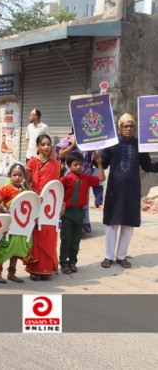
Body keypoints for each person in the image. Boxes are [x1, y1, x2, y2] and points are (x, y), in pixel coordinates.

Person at [101, 114, 158, 268]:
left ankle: (121, 256)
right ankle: (108, 256)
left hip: (132, 191)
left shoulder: (140, 145)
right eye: (125, 126)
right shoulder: (111, 144)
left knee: (128, 224)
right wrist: (96, 159)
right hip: (114, 190)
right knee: (112, 224)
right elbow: (104, 164)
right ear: (119, 129)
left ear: (135, 129)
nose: (128, 129)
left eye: (131, 126)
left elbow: (148, 166)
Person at [59, 151, 104, 274]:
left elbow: (101, 178)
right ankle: (63, 263)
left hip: (79, 213)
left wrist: (99, 163)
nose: (79, 167)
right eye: (75, 164)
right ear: (69, 166)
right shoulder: (65, 179)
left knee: (76, 239)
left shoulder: (86, 178)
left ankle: (72, 262)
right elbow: (57, 192)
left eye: (80, 164)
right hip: (68, 213)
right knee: (66, 239)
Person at [26, 134, 62, 280]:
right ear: (38, 147)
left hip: (51, 204)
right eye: (43, 144)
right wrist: (35, 195)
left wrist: (60, 203)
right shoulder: (33, 162)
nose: (46, 147)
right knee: (37, 234)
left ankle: (47, 268)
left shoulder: (55, 164)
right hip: (37, 201)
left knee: (50, 234)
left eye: (48, 144)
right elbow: (26, 183)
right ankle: (35, 268)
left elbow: (57, 185)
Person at [0, 163, 32, 283]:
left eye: (20, 175)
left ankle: (11, 273)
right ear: (9, 175)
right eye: (14, 175)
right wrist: (4, 213)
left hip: (20, 225)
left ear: (24, 176)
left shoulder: (25, 191)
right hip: (9, 225)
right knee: (3, 247)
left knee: (16, 248)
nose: (17, 177)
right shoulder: (6, 189)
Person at [56, 129, 101, 232]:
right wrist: (72, 146)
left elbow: (94, 157)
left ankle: (81, 228)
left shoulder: (90, 137)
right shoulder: (69, 138)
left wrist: (95, 154)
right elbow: (61, 154)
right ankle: (67, 226)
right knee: (69, 200)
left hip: (85, 176)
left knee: (82, 200)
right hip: (70, 175)